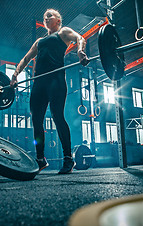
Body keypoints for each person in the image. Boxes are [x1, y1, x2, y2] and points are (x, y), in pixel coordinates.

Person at [10, 9, 89, 174]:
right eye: (44, 16)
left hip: (56, 80)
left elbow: (80, 38)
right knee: (36, 120)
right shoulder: (39, 41)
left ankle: (68, 159)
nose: (45, 18)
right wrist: (16, 74)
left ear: (58, 20)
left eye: (50, 16)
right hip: (39, 83)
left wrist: (80, 51)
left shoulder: (63, 32)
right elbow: (26, 59)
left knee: (57, 116)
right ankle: (40, 159)